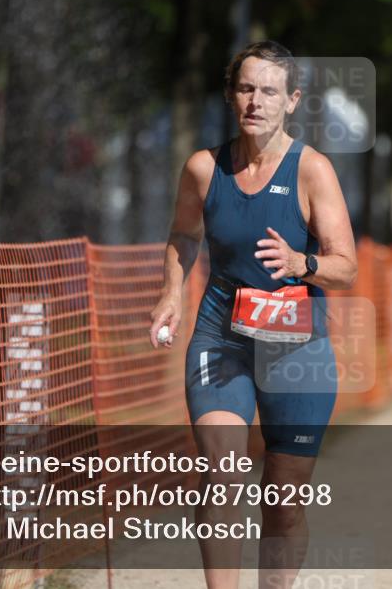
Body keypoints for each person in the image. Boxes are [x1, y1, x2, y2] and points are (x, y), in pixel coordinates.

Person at [148, 41, 357, 588]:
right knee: (222, 479)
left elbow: (346, 267)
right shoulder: (202, 169)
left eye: (268, 90)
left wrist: (299, 261)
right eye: (245, 88)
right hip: (222, 338)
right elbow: (184, 233)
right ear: (229, 95)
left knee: (283, 504)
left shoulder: (312, 171)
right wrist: (172, 291)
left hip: (298, 349)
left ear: (291, 101)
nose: (255, 101)